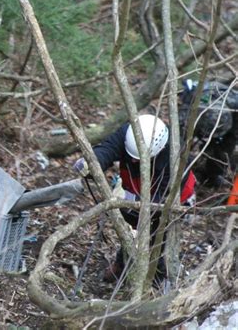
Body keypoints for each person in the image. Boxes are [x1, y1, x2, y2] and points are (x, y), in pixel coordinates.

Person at [73, 114, 196, 282]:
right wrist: (92, 163)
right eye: (131, 155)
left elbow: (159, 204)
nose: (131, 160)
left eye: (136, 158)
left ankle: (157, 280)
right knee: (130, 231)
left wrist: (126, 200)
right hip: (136, 188)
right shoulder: (128, 133)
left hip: (172, 201)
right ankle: (123, 264)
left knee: (158, 240)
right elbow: (108, 149)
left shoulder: (175, 158)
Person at [179, 79, 237, 188]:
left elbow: (232, 137)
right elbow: (178, 132)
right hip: (198, 114)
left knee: (226, 146)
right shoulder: (192, 104)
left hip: (230, 121)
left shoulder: (235, 105)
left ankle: (214, 175)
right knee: (181, 138)